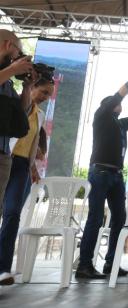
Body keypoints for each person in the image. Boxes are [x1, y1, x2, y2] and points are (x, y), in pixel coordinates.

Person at [76, 66, 128, 279]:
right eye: (115, 103)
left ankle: (111, 263)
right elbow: (121, 93)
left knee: (120, 217)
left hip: (116, 175)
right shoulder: (101, 116)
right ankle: (84, 265)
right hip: (100, 172)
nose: (119, 104)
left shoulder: (120, 124)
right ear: (109, 106)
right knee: (96, 217)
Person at [0, 75, 52, 286]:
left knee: (12, 214)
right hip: (5, 158)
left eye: (49, 94)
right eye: (43, 92)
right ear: (32, 87)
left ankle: (3, 268)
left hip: (21, 167)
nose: (46, 97)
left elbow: (31, 147)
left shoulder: (39, 116)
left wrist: (32, 168)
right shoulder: (17, 105)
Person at [0, 29, 34, 220]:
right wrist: (13, 69)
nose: (17, 59)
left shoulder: (7, 83)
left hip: (3, 156)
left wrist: (27, 88)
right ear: (7, 45)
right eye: (18, 53)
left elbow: (22, 115)